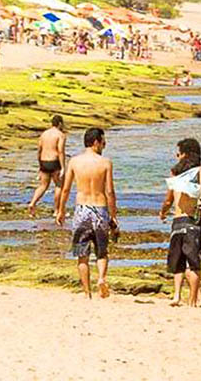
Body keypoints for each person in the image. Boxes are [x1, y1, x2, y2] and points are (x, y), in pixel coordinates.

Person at [54, 127, 118, 300]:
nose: (104, 146)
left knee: (82, 255)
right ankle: (102, 278)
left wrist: (60, 210)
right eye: (103, 142)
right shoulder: (105, 163)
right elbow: (110, 191)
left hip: (82, 210)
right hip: (100, 209)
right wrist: (113, 215)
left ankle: (87, 293)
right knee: (102, 252)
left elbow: (66, 189)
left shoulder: (74, 162)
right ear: (96, 142)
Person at [159, 138, 201, 307]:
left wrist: (162, 212)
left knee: (178, 262)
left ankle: (176, 296)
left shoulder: (175, 174)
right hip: (193, 221)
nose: (176, 156)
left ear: (185, 154)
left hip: (177, 220)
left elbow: (168, 200)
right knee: (194, 262)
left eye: (178, 153)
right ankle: (193, 299)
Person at [27, 115, 68, 217]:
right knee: (59, 185)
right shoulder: (60, 135)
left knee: (43, 186)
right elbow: (60, 151)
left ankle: (32, 203)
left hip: (44, 161)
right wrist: (63, 167)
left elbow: (39, 150)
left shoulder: (44, 134)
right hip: (54, 162)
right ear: (60, 124)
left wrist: (39, 166)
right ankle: (57, 210)